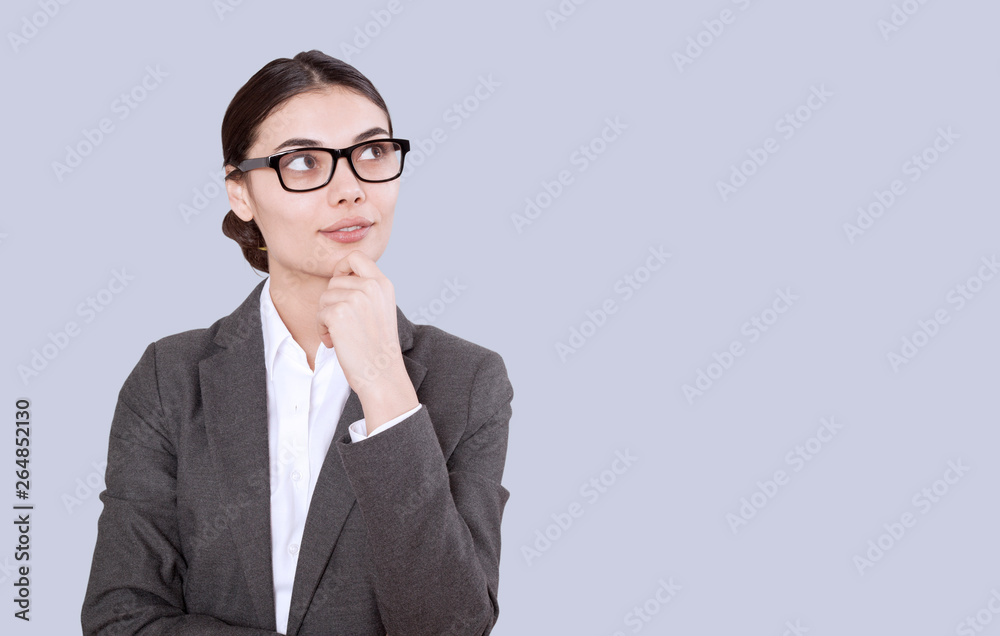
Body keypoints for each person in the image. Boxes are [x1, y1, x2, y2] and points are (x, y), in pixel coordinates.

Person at [81, 50, 513, 636]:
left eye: (371, 153)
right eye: (304, 162)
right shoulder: (170, 377)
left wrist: (386, 387)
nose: (351, 189)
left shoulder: (468, 380)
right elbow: (120, 619)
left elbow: (451, 625)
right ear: (240, 194)